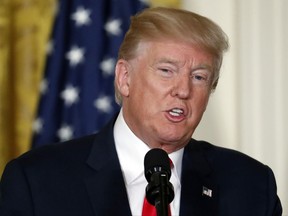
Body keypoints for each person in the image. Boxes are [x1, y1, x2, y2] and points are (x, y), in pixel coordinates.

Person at [0, 7, 282, 216]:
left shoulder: (252, 186)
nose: (183, 90)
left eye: (199, 77)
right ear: (125, 78)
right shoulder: (36, 182)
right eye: (166, 71)